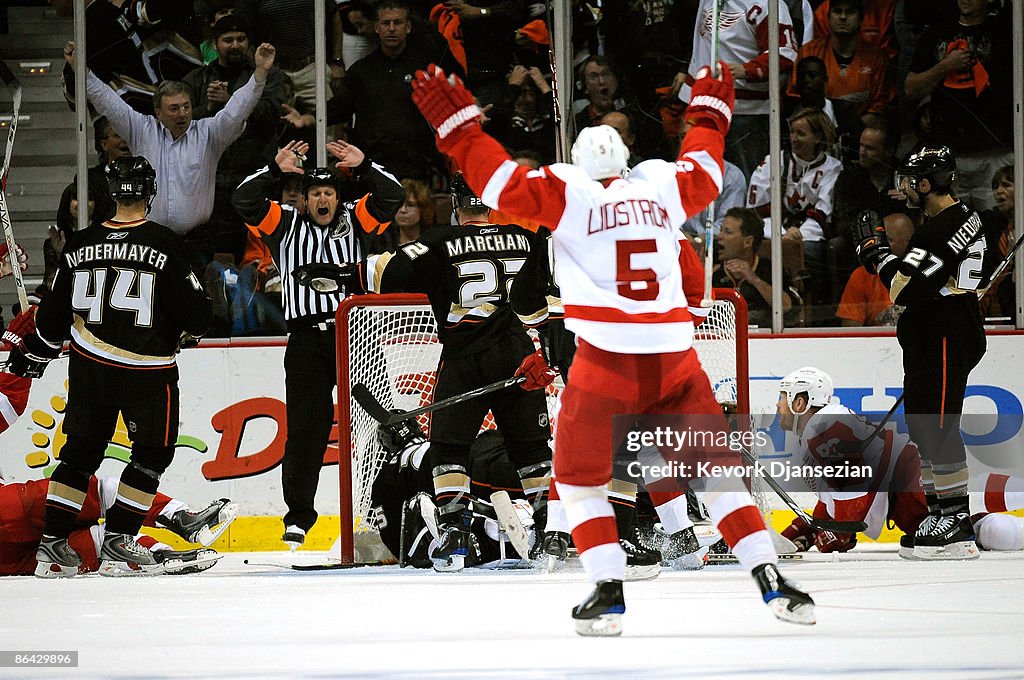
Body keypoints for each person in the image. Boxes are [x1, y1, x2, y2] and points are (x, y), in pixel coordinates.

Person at [408, 61, 814, 634]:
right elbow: (705, 168)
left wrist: (462, 133)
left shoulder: (569, 195)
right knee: (717, 472)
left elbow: (496, 182)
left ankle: (607, 586)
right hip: (676, 358)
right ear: (626, 159)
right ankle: (770, 578)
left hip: (605, 361)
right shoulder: (659, 188)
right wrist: (708, 116)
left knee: (576, 478)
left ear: (579, 163)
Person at [5, 156, 214, 577]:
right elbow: (198, 318)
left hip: (89, 369)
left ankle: (53, 544)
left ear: (110, 193)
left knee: (79, 457)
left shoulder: (79, 245)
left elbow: (50, 323)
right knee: (151, 456)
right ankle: (119, 539)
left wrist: (34, 352)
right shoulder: (164, 243)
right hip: (148, 372)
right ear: (150, 194)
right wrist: (183, 330)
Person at [356, 174, 553, 572]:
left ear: (456, 205)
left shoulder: (439, 240)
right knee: (532, 452)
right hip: (520, 355)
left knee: (448, 449)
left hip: (466, 358)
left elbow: (385, 272)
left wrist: (342, 274)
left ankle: (454, 529)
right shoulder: (525, 237)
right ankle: (550, 527)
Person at [231, 139, 404, 549]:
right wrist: (276, 169)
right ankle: (299, 515)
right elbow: (243, 199)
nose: (322, 199)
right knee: (307, 429)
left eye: (328, 192)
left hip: (359, 333)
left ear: (337, 198)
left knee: (382, 422)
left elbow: (392, 195)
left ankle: (382, 503)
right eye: (314, 193)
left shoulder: (355, 219)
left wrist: (364, 166)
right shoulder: (285, 224)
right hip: (307, 340)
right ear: (304, 199)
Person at [854, 146, 987, 559]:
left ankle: (957, 523)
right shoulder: (968, 215)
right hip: (941, 332)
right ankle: (938, 513)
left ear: (926, 184)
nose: (905, 188)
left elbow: (904, 289)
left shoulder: (935, 232)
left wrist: (877, 256)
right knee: (924, 426)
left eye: (911, 181)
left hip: (943, 336)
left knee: (937, 427)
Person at [772, 367, 1024, 558]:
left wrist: (838, 532)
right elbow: (836, 495)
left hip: (907, 478)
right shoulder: (815, 434)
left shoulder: (825, 425)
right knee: (982, 529)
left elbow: (853, 487)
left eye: (783, 397)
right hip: (900, 503)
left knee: (966, 497)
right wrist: (807, 527)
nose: (777, 404)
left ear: (800, 401)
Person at [62, 40, 277, 257]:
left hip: (197, 241)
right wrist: (81, 70)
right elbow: (108, 102)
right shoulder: (140, 129)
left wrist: (260, 73)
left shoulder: (210, 133)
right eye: (174, 109)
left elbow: (236, 110)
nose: (182, 114)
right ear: (158, 112)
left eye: (186, 107)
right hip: (150, 240)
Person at [181, 15, 288, 264]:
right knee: (208, 255)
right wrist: (208, 106)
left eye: (241, 39)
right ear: (214, 43)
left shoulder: (270, 76)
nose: (235, 45)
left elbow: (272, 114)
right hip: (209, 181)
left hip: (254, 177)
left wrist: (230, 101)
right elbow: (180, 123)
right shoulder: (196, 79)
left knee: (255, 254)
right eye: (228, 40)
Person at [370, 418, 536, 569]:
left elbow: (392, 536)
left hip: (470, 472)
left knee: (443, 511)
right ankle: (539, 528)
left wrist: (410, 555)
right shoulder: (439, 444)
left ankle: (488, 536)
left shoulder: (388, 474)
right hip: (494, 448)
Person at [903, 0, 1013, 211]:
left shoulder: (1006, 32)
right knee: (952, 230)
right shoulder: (937, 33)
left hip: (995, 153)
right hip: (951, 156)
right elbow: (910, 89)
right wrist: (945, 65)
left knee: (996, 225)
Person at [680, 0, 798, 182]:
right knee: (702, 180)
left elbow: (785, 53)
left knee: (747, 179)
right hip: (707, 109)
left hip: (748, 113)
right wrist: (689, 98)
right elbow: (701, 48)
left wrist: (747, 70)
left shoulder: (768, 4)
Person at [747, 107, 842, 322]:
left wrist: (796, 235)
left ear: (818, 137)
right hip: (772, 232)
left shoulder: (833, 168)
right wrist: (781, 234)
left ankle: (813, 315)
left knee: (807, 254)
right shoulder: (773, 161)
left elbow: (824, 212)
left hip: (806, 237)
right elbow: (756, 209)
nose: (794, 138)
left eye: (801, 133)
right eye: (792, 132)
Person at [712, 207, 796, 327]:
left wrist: (754, 280)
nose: (720, 236)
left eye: (728, 232)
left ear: (748, 242)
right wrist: (700, 279)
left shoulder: (770, 269)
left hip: (763, 338)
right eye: (721, 230)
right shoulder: (713, 270)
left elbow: (786, 306)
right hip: (720, 339)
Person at [836, 212, 913, 326]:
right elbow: (850, 333)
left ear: (908, 243)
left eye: (887, 240)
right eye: (879, 238)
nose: (880, 244)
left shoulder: (926, 273)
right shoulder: (861, 275)